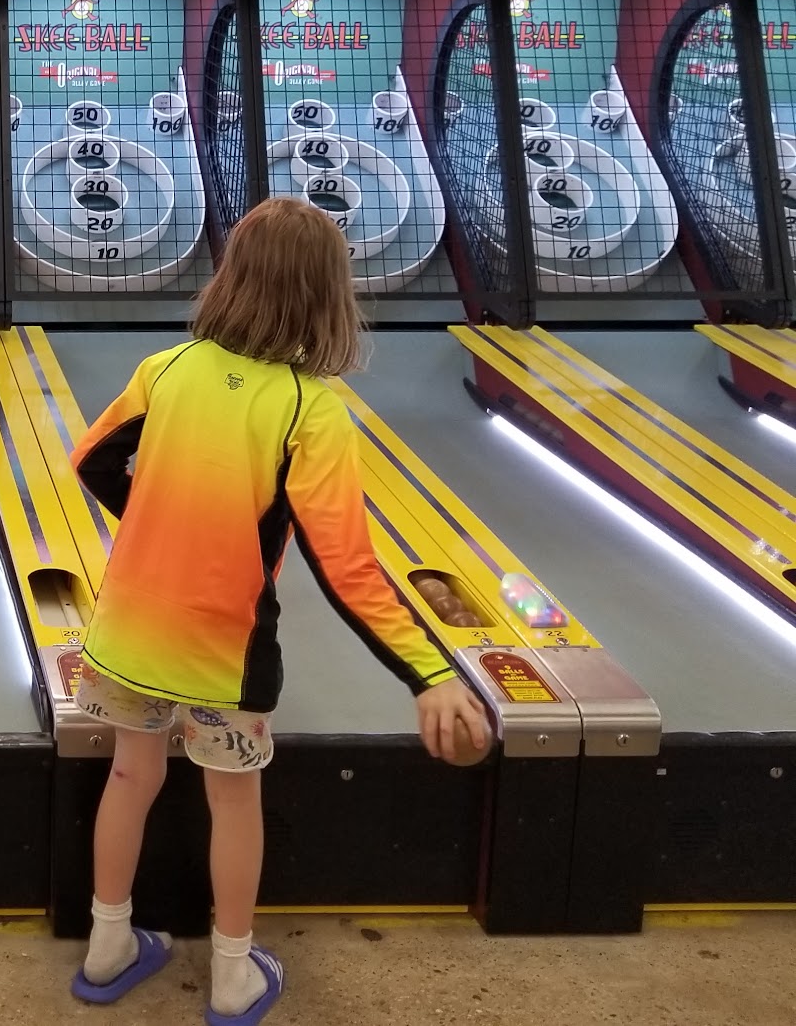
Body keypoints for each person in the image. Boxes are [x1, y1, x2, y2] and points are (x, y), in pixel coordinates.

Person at [64, 197, 489, 1022]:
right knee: (232, 802)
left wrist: (161, 524)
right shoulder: (311, 409)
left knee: (129, 775)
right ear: (328, 296)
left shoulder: (166, 369)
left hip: (126, 635)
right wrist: (430, 675)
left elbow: (92, 460)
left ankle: (107, 946)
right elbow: (348, 567)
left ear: (231, 277)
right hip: (225, 655)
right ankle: (233, 976)